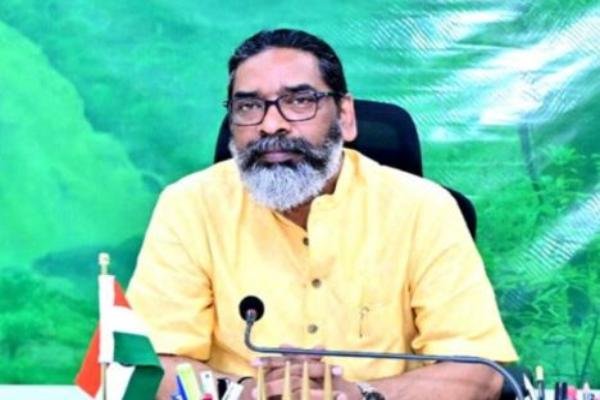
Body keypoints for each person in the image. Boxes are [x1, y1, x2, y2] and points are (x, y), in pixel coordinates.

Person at [127, 28, 518, 400]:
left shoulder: (424, 208)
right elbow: (149, 364)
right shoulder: (190, 205)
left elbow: (479, 372)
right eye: (249, 106)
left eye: (299, 101)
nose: (271, 125)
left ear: (345, 115)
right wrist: (244, 393)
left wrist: (359, 395)